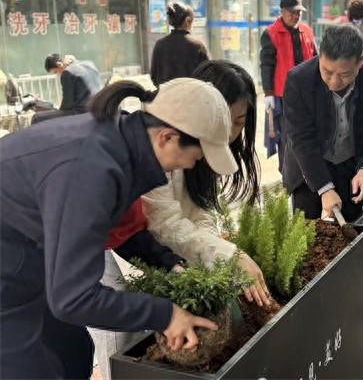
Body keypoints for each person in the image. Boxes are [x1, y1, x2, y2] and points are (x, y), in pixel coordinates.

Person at [0, 78, 237, 378]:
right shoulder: (90, 169)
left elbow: (121, 228)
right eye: (194, 157)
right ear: (166, 137)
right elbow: (74, 298)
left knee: (73, 354)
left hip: (28, 255)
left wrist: (170, 265)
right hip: (9, 272)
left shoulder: (120, 143)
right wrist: (165, 315)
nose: (190, 166)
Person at [91, 61, 269, 380]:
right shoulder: (121, 163)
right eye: (226, 122)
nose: (229, 135)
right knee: (113, 332)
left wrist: (189, 263)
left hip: (116, 241)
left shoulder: (164, 148)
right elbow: (73, 294)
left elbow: (139, 230)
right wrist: (165, 312)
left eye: (239, 123)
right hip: (57, 252)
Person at [282, 25, 363, 222]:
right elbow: (301, 139)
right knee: (304, 230)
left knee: (351, 228)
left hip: (351, 167)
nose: (334, 82)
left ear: (360, 61)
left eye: (344, 74)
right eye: (327, 72)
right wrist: (324, 188)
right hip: (308, 167)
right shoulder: (299, 80)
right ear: (319, 55)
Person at [260, 0, 316, 173]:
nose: (296, 16)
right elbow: (267, 64)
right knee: (287, 136)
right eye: (292, 12)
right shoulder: (271, 33)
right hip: (283, 94)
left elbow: (316, 59)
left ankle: (305, 171)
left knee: (307, 132)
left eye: (299, 12)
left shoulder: (307, 31)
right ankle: (287, 173)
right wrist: (268, 93)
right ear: (282, 12)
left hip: (307, 93)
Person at [150, 1, 209, 86]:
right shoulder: (198, 46)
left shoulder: (160, 44)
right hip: (192, 93)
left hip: (166, 93)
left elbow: (154, 76)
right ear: (187, 20)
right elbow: (209, 75)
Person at [38, 53, 101, 122]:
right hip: (96, 108)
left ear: (59, 64)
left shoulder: (67, 72)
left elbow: (67, 104)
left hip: (81, 111)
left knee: (37, 117)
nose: (58, 74)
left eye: (56, 72)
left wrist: (57, 110)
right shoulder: (89, 64)